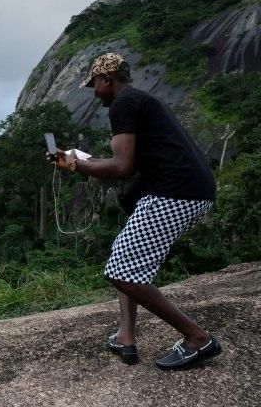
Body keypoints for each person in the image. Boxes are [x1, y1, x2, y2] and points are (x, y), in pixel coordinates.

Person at [54, 52, 221, 370]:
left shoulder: (123, 104)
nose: (93, 91)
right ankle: (126, 337)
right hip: (187, 189)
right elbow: (128, 164)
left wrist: (74, 165)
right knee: (128, 262)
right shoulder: (139, 100)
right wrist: (78, 160)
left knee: (120, 270)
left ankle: (197, 339)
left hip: (176, 193)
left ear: (107, 79)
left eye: (95, 84)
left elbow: (121, 167)